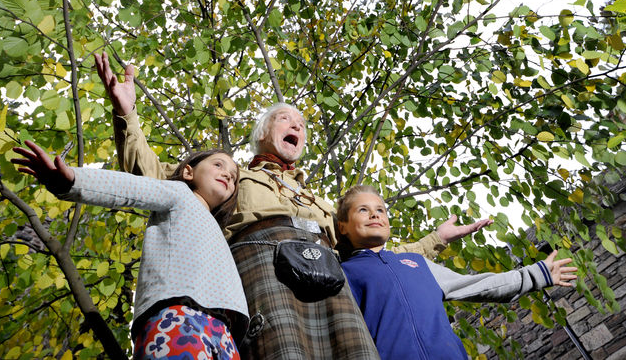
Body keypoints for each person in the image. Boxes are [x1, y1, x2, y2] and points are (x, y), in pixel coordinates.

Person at [95, 51, 492, 359]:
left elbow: (373, 253)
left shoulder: (321, 203)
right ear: (263, 133)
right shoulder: (229, 174)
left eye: (301, 125)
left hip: (330, 282)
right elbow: (149, 173)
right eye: (286, 119)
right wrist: (126, 112)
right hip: (264, 274)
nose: (297, 126)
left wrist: (434, 240)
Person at [11, 141, 249, 360]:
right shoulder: (179, 194)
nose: (228, 174)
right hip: (178, 316)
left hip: (225, 333)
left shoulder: (221, 231)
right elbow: (131, 188)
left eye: (234, 177)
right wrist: (72, 180)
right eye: (218, 165)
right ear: (188, 171)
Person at [336, 185, 579, 360]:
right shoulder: (344, 274)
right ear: (343, 226)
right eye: (363, 210)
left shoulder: (416, 263)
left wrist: (537, 274)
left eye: (380, 210)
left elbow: (480, 285)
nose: (375, 214)